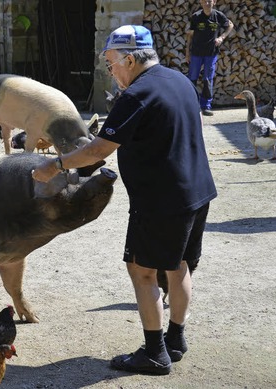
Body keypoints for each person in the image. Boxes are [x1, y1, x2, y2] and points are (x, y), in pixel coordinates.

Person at [32, 25, 217, 375]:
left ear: (129, 59)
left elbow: (100, 149)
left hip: (161, 201)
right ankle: (176, 340)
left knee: (143, 271)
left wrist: (54, 165)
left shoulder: (135, 95)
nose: (110, 70)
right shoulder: (179, 80)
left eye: (111, 63)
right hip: (198, 191)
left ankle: (154, 353)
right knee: (178, 266)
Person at [186, 0, 234, 116]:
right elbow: (189, 35)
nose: (207, 4)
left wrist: (222, 37)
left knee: (208, 79)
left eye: (209, 1)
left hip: (211, 53)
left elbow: (230, 25)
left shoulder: (218, 16)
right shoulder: (196, 17)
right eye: (204, 1)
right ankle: (191, 105)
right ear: (201, 2)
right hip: (196, 53)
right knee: (192, 78)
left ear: (214, 2)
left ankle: (206, 106)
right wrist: (187, 52)